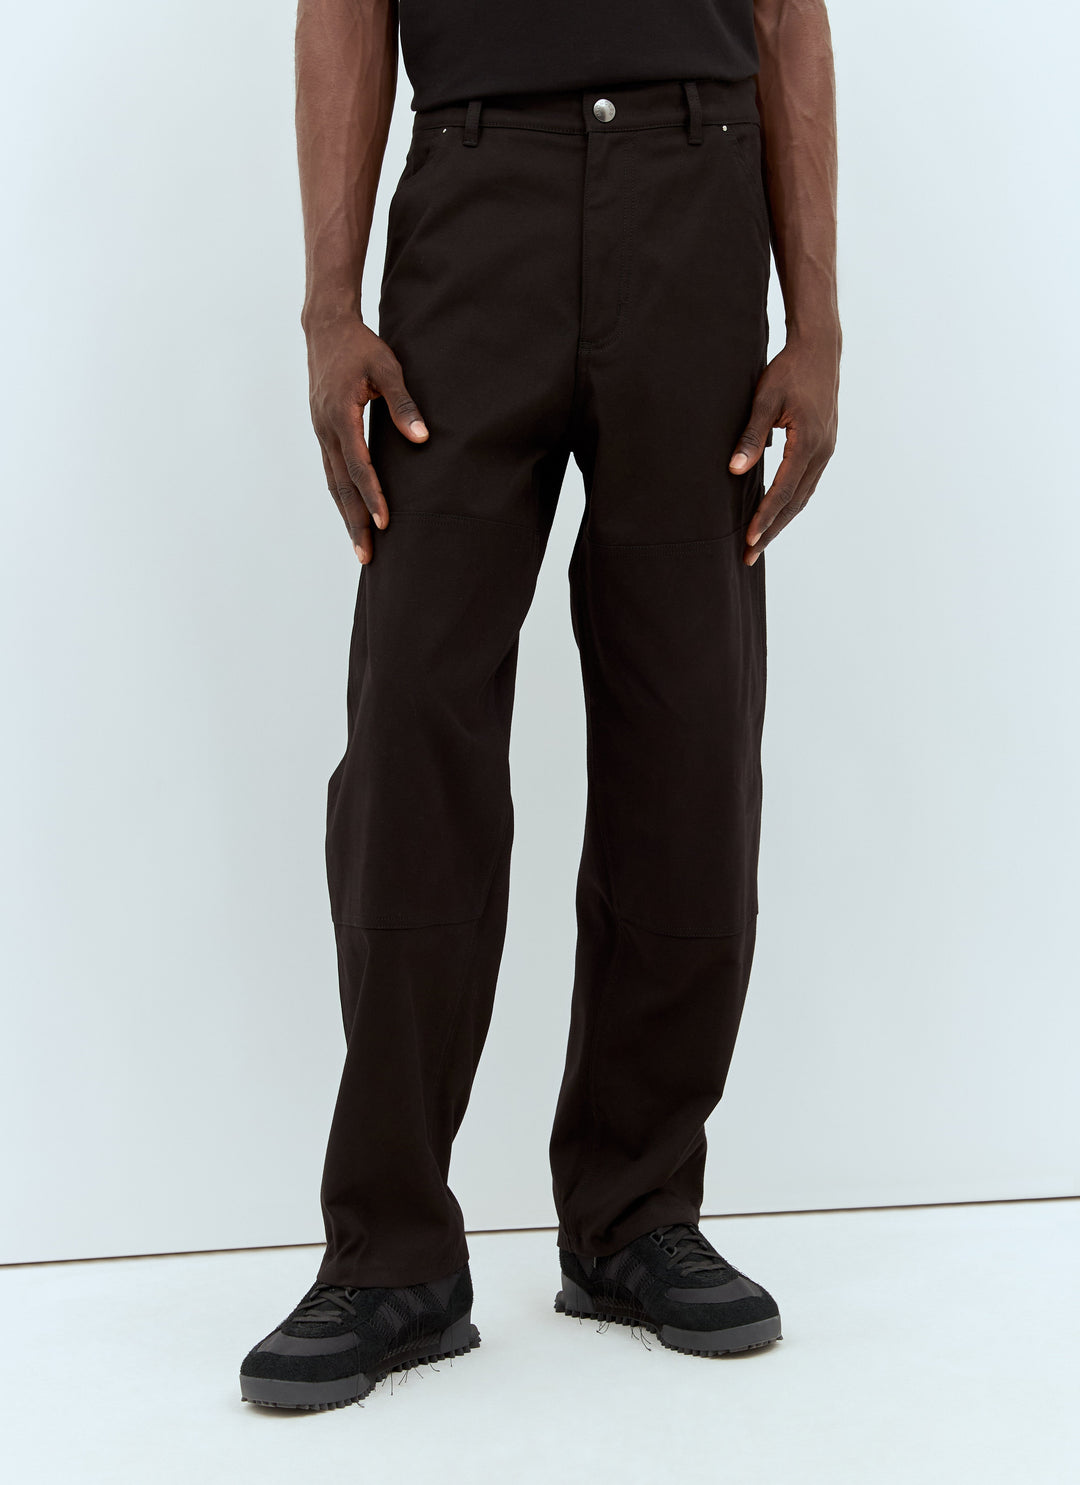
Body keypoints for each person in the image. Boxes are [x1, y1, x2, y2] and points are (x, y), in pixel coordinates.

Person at [240, 0, 840, 1411]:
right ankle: (391, 1250)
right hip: (473, 198)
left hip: (698, 199)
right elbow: (346, 9)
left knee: (689, 725)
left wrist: (816, 320)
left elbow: (786, 14)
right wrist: (329, 306)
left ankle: (635, 1213)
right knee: (412, 724)